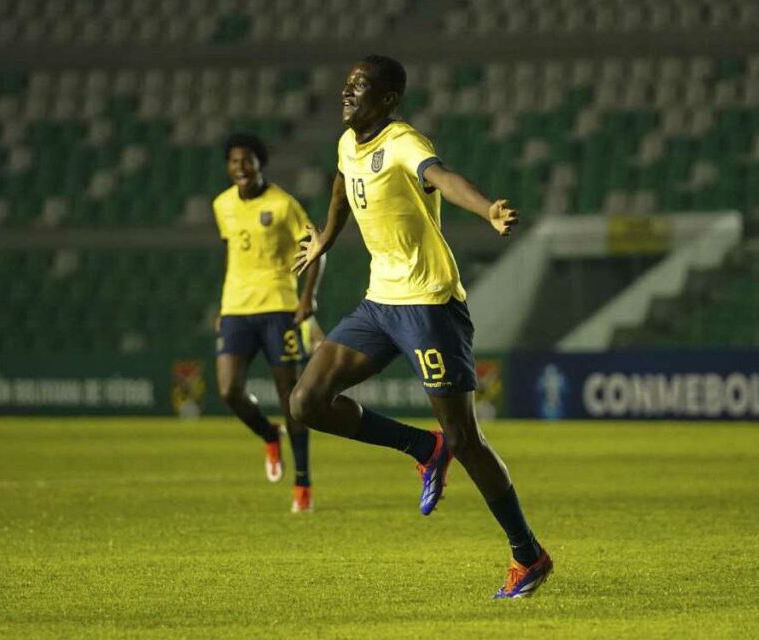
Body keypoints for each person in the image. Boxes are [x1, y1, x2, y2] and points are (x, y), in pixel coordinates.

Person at [289, 54, 552, 598]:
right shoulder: (346, 143)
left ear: (386, 100)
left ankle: (528, 555)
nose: (347, 93)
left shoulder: (404, 142)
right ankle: (422, 449)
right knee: (306, 401)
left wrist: (486, 211)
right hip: (379, 302)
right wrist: (326, 239)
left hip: (429, 304)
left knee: (467, 437)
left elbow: (443, 178)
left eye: (359, 87)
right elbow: (342, 185)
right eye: (346, 84)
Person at [213, 132, 325, 513]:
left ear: (260, 164)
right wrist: (223, 305)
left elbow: (317, 248)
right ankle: (268, 433)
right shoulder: (222, 205)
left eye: (247, 160)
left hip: (279, 308)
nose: (240, 168)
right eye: (234, 161)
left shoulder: (282, 205)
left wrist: (307, 298)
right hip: (236, 310)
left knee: (292, 399)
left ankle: (303, 482)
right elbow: (234, 255)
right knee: (229, 390)